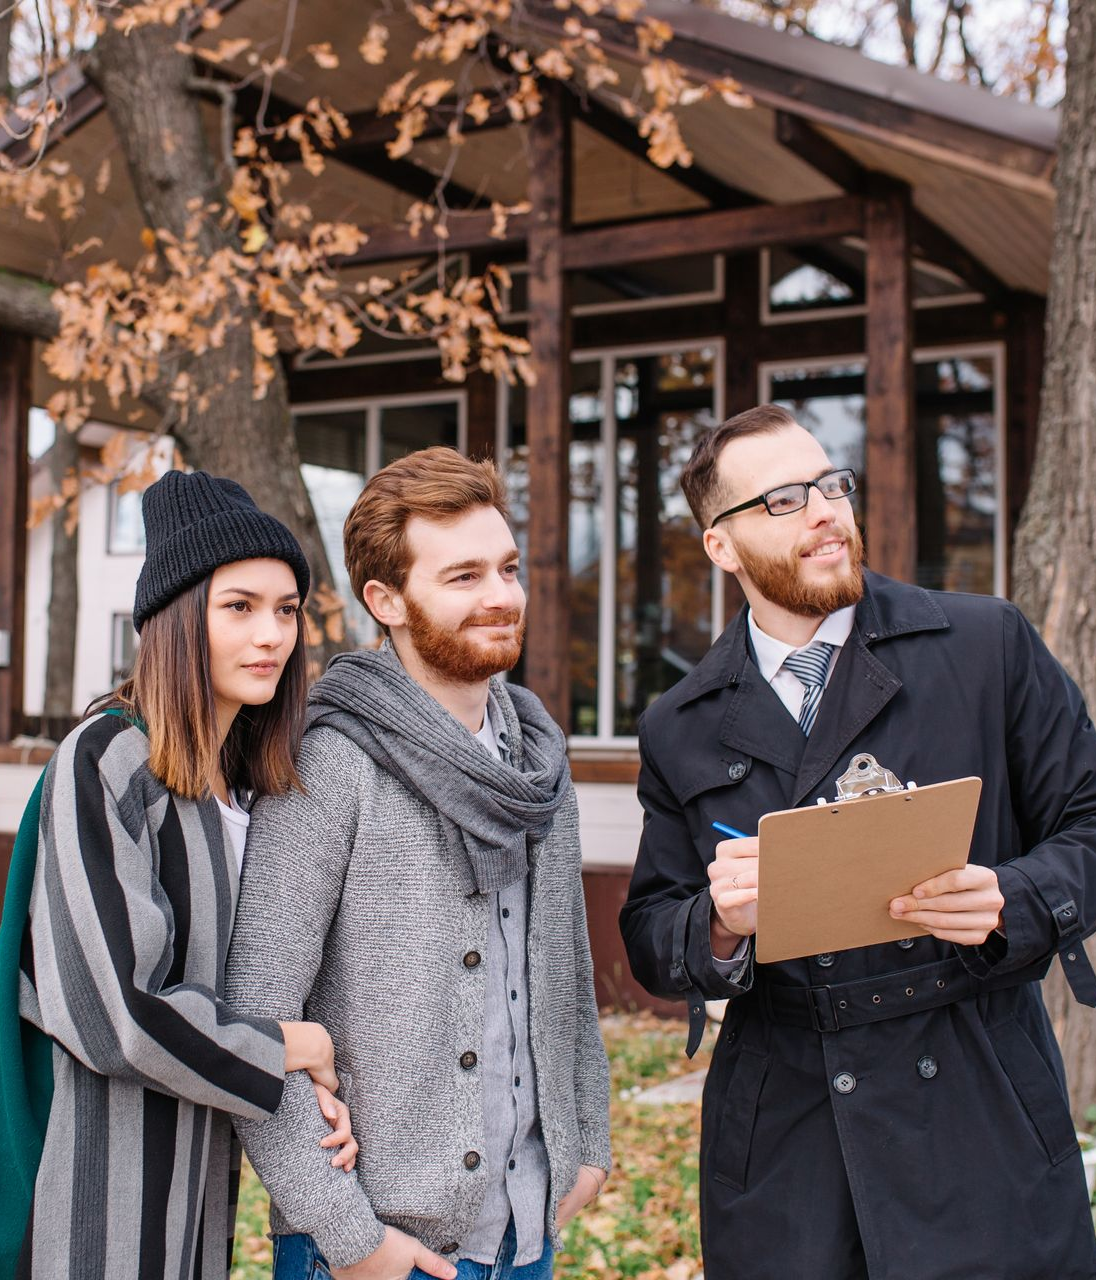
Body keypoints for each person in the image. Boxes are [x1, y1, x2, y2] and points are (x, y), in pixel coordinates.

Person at [620, 405, 1096, 1280]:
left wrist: (1014, 898)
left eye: (831, 485)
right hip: (786, 1142)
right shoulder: (678, 723)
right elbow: (652, 928)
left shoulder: (984, 645)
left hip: (975, 1098)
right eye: (784, 500)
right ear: (719, 545)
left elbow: (1091, 819)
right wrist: (717, 924)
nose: (827, 511)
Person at [224, 446, 611, 1280]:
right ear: (386, 599)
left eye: (507, 568)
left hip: (526, 1235)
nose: (503, 596)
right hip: (378, 1248)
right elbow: (251, 1020)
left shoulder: (537, 756)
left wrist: (590, 1139)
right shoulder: (329, 764)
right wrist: (349, 1237)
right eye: (464, 576)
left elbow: (566, 975)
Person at [6, 471, 358, 1280]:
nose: (271, 633)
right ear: (174, 619)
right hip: (94, 1195)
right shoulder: (107, 760)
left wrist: (310, 1085)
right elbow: (116, 1014)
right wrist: (289, 1046)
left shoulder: (240, 788)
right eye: (238, 606)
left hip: (199, 1188)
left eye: (285, 609)